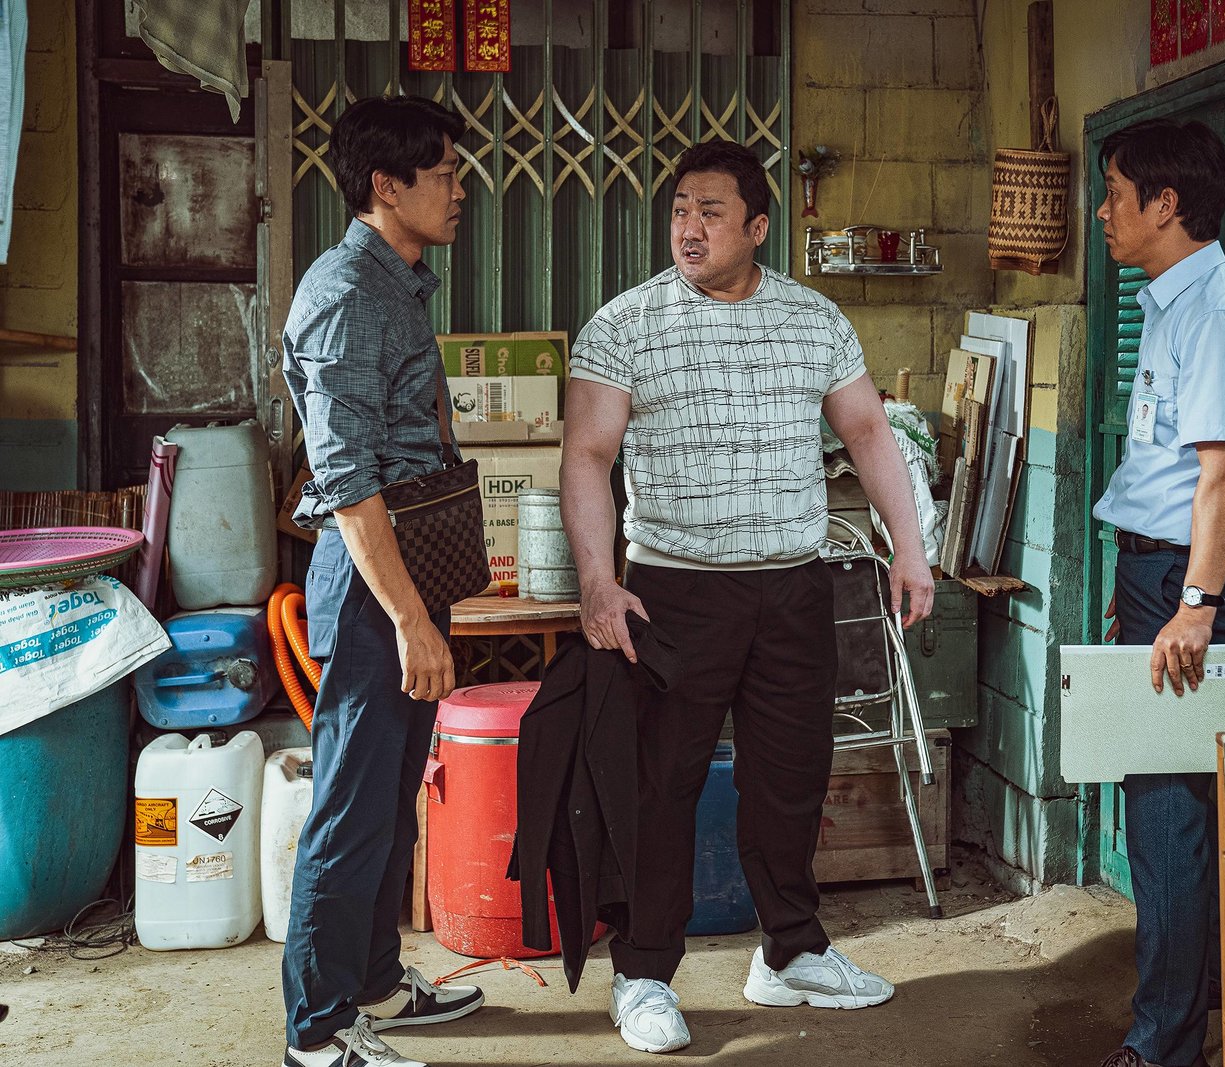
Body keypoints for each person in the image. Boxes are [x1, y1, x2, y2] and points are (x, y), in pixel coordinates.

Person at [561, 139, 935, 1055]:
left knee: (791, 778)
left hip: (793, 589)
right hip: (672, 593)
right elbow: (587, 456)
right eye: (680, 210)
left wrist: (911, 548)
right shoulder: (624, 324)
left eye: (712, 212)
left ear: (758, 227)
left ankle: (791, 952)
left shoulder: (815, 320)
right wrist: (599, 581)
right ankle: (644, 972)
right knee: (661, 786)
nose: (690, 228)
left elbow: (868, 431)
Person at [279, 96, 486, 1067]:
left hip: (402, 577)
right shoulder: (346, 294)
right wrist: (409, 619)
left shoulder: (394, 281)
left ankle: (373, 983)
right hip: (372, 587)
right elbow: (347, 479)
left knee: (390, 796)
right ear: (385, 186)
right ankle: (317, 1030)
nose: (461, 187)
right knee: (350, 810)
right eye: (443, 173)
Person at [1090, 119, 1225, 1067]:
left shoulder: (1219, 315)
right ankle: (1181, 1020)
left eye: (1115, 194)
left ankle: (1165, 1045)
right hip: (1164, 576)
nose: (1103, 212)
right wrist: (1147, 585)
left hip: (1192, 580)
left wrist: (1195, 601)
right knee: (1161, 806)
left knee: (1170, 814)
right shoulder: (1174, 305)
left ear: (1165, 204)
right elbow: (1171, 471)